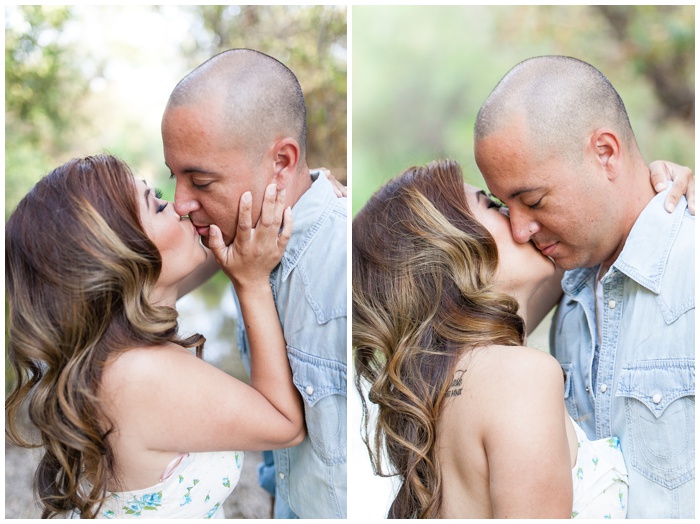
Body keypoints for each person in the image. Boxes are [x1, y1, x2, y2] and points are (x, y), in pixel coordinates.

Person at [5, 154, 304, 518]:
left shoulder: (113, 346)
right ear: (117, 253)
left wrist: (301, 185)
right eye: (158, 203)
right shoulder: (140, 375)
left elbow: (224, 249)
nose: (178, 206)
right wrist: (252, 282)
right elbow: (285, 425)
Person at [473, 55, 694, 518]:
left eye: (532, 200)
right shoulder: (562, 285)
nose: (519, 230)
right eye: (503, 205)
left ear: (606, 153)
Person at [353, 159, 629, 519]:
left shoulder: (440, 389)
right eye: (494, 206)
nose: (524, 225)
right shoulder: (520, 377)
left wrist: (640, 197)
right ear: (449, 248)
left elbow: (578, 247)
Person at [161, 48, 347, 519]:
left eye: (200, 182)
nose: (181, 203)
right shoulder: (240, 249)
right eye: (174, 178)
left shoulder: (348, 265)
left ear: (282, 162)